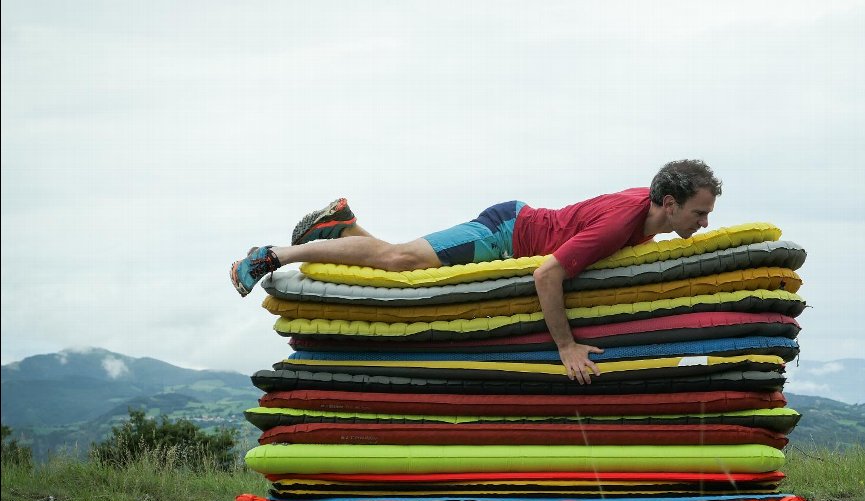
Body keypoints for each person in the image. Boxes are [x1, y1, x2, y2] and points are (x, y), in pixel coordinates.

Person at [231, 159, 722, 383]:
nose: (705, 223)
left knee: (399, 257)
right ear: (670, 203)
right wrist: (566, 346)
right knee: (400, 263)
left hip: (515, 228)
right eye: (700, 213)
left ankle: (341, 227)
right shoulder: (623, 223)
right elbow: (547, 275)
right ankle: (271, 254)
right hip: (502, 233)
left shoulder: (649, 211)